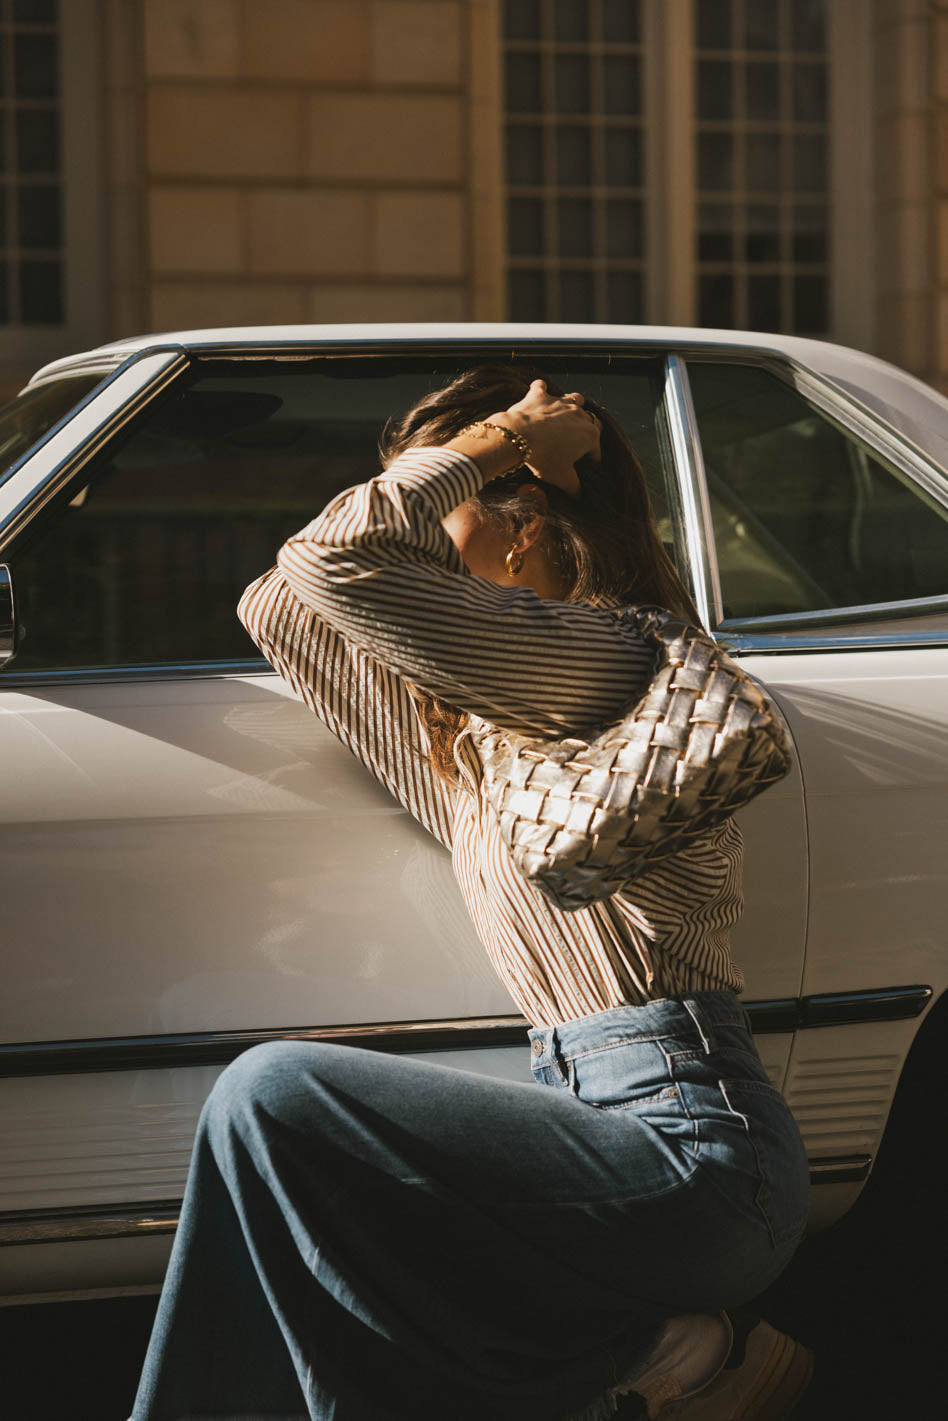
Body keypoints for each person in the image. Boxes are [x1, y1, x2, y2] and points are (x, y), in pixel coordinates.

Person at [131, 369, 812, 1421]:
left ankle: (635, 1354)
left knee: (269, 1093)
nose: (413, 525)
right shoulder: (483, 756)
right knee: (289, 1196)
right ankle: (646, 1358)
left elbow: (334, 561)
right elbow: (282, 600)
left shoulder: (604, 666)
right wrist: (453, 469)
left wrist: (502, 438)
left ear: (525, 518)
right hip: (580, 1137)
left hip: (692, 1150)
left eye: (439, 505)